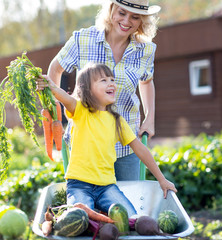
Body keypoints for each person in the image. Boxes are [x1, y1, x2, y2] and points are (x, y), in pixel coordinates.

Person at [36, 63, 177, 216]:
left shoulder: (117, 121)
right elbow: (63, 97)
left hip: (107, 186)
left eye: (112, 79)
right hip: (79, 185)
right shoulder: (80, 111)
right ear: (87, 89)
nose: (111, 83)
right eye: (103, 80)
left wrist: (162, 179)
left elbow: (140, 150)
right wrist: (51, 86)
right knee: (78, 217)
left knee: (130, 218)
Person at [43, 0, 161, 181]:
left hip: (125, 141)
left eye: (135, 17)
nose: (127, 21)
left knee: (127, 202)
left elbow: (146, 82)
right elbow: (56, 69)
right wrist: (56, 108)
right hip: (86, 142)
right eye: (122, 13)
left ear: (142, 21)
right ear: (112, 10)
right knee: (89, 203)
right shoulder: (83, 39)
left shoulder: (145, 50)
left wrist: (149, 118)